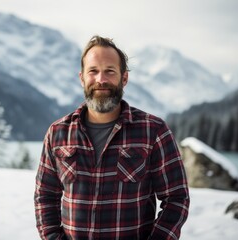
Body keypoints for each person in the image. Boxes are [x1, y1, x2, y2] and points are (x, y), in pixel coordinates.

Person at [34, 35, 190, 240]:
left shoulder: (154, 131)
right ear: (82, 78)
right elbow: (45, 196)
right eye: (93, 71)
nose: (101, 80)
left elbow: (177, 198)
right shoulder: (57, 133)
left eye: (109, 71)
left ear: (124, 78)